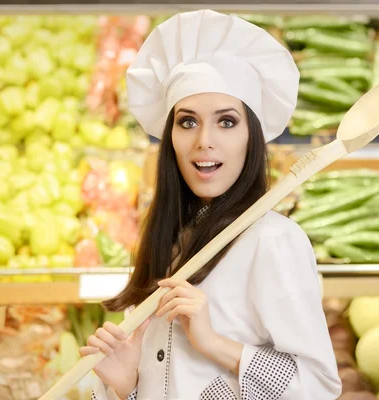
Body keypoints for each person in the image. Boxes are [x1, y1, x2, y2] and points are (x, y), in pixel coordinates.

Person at [81, 9, 342, 400]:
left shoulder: (274, 241)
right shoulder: (166, 234)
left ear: (251, 137)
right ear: (169, 137)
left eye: (226, 122)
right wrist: (129, 384)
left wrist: (214, 342)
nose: (204, 140)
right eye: (187, 122)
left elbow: (318, 387)